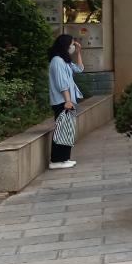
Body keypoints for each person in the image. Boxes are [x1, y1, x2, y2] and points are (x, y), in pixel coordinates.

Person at [46, 34, 84, 169]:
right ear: (65, 45)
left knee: (67, 130)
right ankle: (56, 160)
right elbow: (62, 83)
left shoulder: (64, 60)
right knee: (61, 130)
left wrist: (78, 53)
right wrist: (67, 100)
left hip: (68, 101)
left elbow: (79, 69)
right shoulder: (57, 61)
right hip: (62, 102)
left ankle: (64, 158)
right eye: (72, 44)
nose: (73, 46)